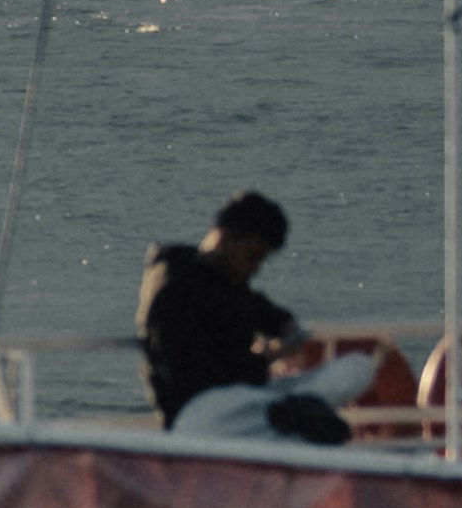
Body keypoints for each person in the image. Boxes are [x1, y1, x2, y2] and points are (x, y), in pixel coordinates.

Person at [138, 188, 340, 441]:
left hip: (242, 397)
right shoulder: (175, 287)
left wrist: (285, 327)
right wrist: (266, 358)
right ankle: (289, 418)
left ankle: (286, 415)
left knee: (356, 368)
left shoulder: (225, 278)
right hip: (201, 409)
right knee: (304, 416)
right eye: (252, 256)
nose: (255, 267)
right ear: (225, 239)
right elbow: (192, 370)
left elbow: (258, 308)